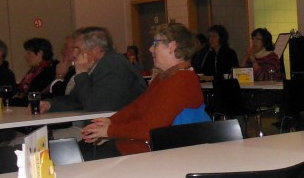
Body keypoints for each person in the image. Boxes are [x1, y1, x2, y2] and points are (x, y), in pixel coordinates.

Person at [81, 23, 204, 156]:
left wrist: (110, 131)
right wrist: (111, 121)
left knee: (80, 155)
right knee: (79, 151)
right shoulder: (166, 77)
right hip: (137, 145)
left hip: (146, 151)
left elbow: (149, 130)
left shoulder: (181, 80)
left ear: (172, 46)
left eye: (155, 43)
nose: (151, 49)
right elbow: (137, 108)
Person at [41, 26, 146, 113]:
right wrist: (49, 104)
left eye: (78, 49)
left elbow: (95, 107)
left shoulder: (113, 64)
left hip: (125, 128)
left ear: (96, 50)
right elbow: (76, 100)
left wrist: (82, 74)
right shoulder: (98, 65)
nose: (74, 54)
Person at [11, 37, 56, 105]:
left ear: (40, 53)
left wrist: (8, 102)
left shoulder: (48, 72)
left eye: (29, 53)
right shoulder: (36, 70)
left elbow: (32, 96)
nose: (25, 56)